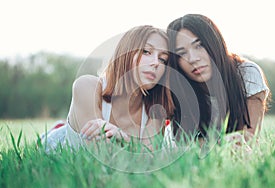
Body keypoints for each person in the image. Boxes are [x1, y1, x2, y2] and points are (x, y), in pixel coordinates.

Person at [41, 25, 175, 152]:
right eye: (146, 51)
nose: (156, 63)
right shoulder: (87, 86)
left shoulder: (156, 110)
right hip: (54, 141)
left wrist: (122, 137)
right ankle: (61, 126)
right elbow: (96, 153)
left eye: (163, 59)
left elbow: (147, 160)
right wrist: (129, 144)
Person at [166, 14, 271, 146]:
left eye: (199, 46)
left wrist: (201, 145)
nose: (192, 59)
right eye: (181, 53)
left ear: (214, 42)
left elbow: (247, 140)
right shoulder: (177, 86)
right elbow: (180, 146)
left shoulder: (246, 74)